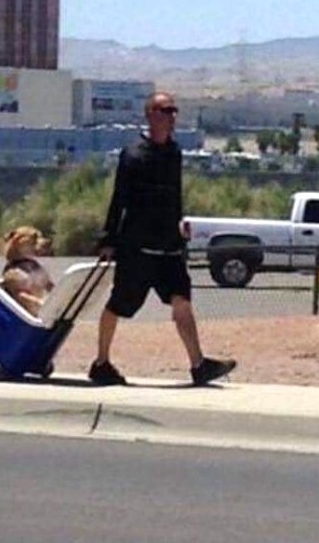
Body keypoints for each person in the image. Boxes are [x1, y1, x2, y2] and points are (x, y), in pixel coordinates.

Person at [90, 91, 236, 386]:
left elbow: (175, 195)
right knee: (120, 305)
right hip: (137, 248)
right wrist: (109, 239)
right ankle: (101, 362)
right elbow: (120, 199)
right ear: (150, 115)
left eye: (173, 111)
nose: (171, 116)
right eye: (165, 111)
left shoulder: (175, 153)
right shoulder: (133, 155)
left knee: (181, 299)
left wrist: (179, 225)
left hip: (169, 247)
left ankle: (198, 365)